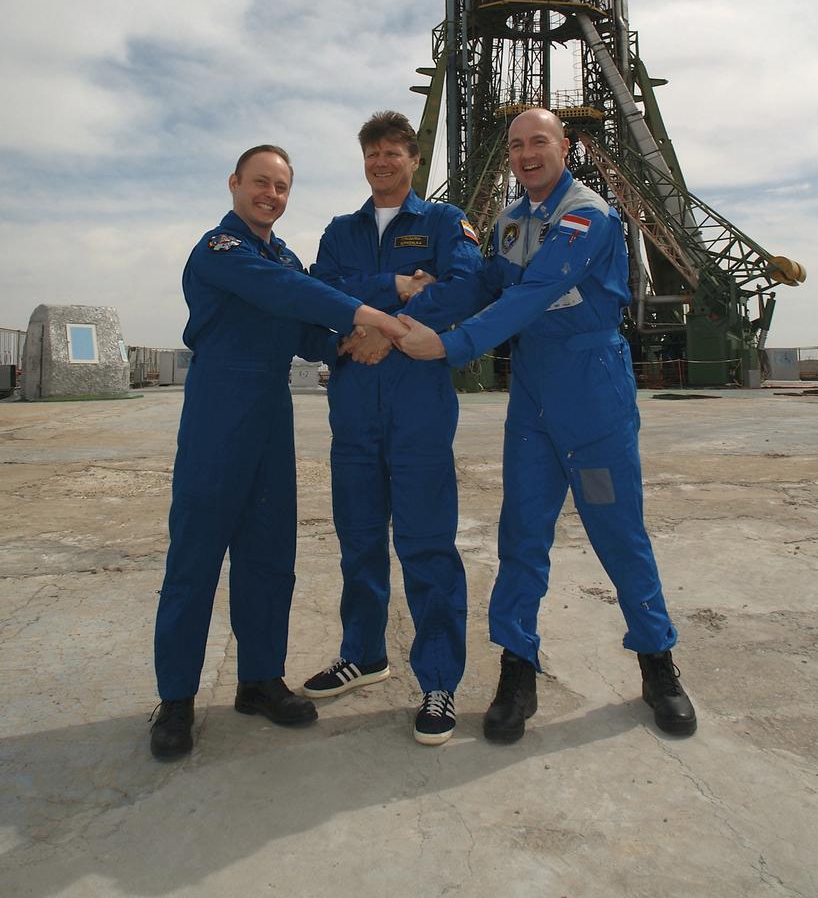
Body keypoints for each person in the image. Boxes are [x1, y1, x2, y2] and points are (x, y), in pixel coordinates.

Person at [396, 108, 697, 743]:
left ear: (565, 147)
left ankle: (657, 663)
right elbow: (482, 287)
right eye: (516, 145)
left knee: (618, 532)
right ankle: (517, 666)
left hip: (592, 396)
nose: (527, 154)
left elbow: (532, 293)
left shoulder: (589, 215)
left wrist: (450, 347)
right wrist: (397, 309)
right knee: (522, 536)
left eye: (540, 142)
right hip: (532, 398)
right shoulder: (508, 225)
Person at [150, 145, 406, 759]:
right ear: (235, 183)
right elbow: (291, 295)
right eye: (261, 182)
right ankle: (177, 700)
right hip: (218, 413)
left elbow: (306, 329)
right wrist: (369, 315)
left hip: (270, 415)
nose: (271, 194)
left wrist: (351, 339)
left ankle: (259, 680)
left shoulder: (282, 254)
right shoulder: (223, 251)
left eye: (282, 187)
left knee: (269, 555)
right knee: (195, 559)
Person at [301, 112, 484, 745]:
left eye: (394, 154)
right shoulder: (340, 229)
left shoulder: (442, 221)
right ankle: (365, 653)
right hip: (353, 409)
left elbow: (466, 287)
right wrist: (394, 289)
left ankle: (438, 680)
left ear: (414, 160)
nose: (383, 163)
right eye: (373, 154)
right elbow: (318, 291)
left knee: (427, 545)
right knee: (358, 539)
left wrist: (378, 326)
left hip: (417, 408)